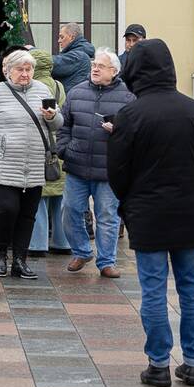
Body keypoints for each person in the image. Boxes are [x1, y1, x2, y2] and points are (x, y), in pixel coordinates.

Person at [107, 39, 194, 387]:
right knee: (191, 289)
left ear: (135, 71)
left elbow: (117, 171)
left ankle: (158, 364)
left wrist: (129, 201)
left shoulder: (131, 114)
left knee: (153, 290)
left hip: (148, 213)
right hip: (188, 212)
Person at [0, 49, 62, 280]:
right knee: (8, 209)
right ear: (8, 71)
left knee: (28, 213)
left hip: (35, 164)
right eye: (20, 69)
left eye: (28, 69)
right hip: (4, 164)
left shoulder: (42, 90)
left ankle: (20, 260)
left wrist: (52, 117)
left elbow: (58, 124)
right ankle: (1, 253)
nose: (25, 74)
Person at [57, 48, 132, 277]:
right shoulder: (76, 92)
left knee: (107, 217)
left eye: (101, 66)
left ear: (114, 71)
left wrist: (118, 131)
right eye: (93, 65)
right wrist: (64, 149)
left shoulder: (128, 98)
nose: (95, 69)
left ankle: (106, 262)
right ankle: (81, 251)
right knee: (69, 211)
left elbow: (135, 133)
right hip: (77, 166)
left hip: (109, 170)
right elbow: (64, 125)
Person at [29, 50, 71, 258]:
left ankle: (37, 244)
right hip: (58, 147)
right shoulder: (58, 85)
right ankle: (62, 242)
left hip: (41, 146)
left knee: (39, 198)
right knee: (59, 198)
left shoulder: (34, 87)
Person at [52, 22, 95, 91]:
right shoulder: (80, 52)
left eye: (62, 37)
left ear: (72, 38)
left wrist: (37, 54)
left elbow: (54, 64)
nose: (59, 41)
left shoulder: (78, 56)